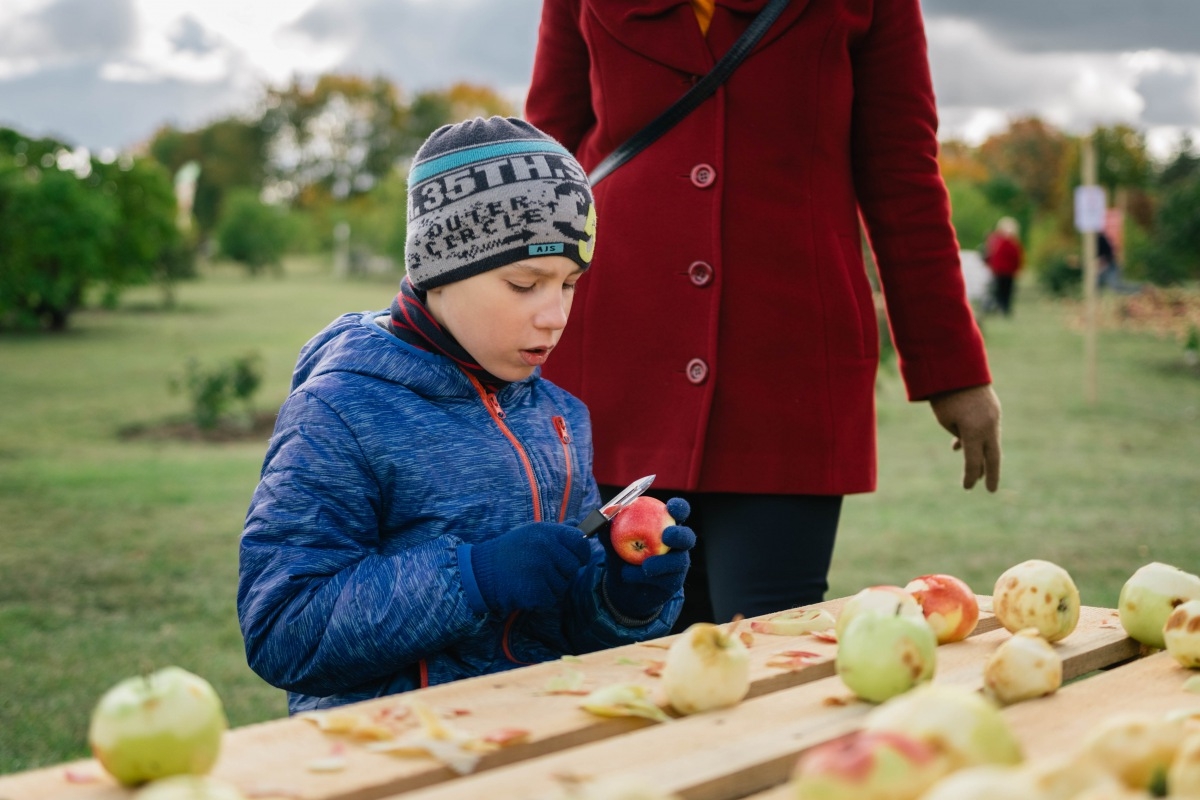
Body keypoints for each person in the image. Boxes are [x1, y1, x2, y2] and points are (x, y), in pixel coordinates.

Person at [525, 0, 1002, 632]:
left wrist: (953, 369)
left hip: (789, 376)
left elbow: (902, 171)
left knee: (772, 652)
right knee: (616, 646)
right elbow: (546, 161)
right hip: (616, 368)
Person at [237, 117, 696, 714]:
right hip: (389, 756)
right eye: (524, 282)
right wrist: (474, 577)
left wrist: (622, 599)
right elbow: (283, 630)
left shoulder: (560, 418)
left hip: (531, 742)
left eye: (570, 284)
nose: (556, 315)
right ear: (439, 272)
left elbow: (560, 628)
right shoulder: (341, 410)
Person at [983, 217, 1024, 316]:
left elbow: (1017, 258)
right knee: (997, 290)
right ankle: (996, 307)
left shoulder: (1013, 244)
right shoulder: (997, 241)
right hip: (998, 271)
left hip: (1009, 272)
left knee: (1007, 291)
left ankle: (1005, 308)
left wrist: (1017, 269)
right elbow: (991, 255)